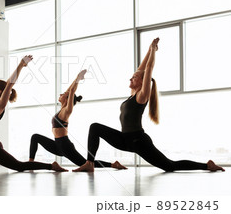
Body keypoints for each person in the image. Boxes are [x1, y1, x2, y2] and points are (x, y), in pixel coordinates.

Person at [73, 38, 224, 172]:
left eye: (134, 78)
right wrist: (149, 50)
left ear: (142, 82)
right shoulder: (133, 94)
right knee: (95, 127)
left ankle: (207, 165)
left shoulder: (142, 95)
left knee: (170, 166)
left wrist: (153, 50)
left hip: (139, 141)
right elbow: (143, 67)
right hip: (124, 139)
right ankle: (89, 163)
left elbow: (148, 69)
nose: (130, 79)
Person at [29, 70, 127, 170]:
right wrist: (76, 78)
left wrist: (78, 79)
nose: (60, 95)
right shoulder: (62, 109)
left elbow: (71, 91)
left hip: (65, 145)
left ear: (67, 99)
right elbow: (69, 91)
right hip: (57, 144)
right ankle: (30, 163)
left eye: (62, 94)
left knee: (84, 163)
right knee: (35, 137)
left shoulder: (66, 111)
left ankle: (113, 164)